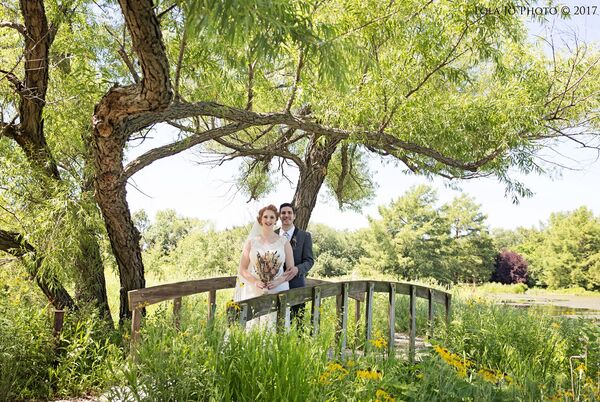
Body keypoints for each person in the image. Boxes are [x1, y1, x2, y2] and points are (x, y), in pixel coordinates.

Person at [234, 204, 298, 329]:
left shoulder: (284, 242)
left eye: (272, 217)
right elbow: (242, 269)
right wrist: (255, 281)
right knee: (253, 327)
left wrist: (278, 281)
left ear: (276, 220)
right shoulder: (251, 242)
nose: (268, 220)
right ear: (260, 219)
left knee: (276, 326)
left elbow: (291, 270)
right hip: (255, 289)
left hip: (278, 288)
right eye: (265, 217)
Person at [277, 203, 314, 320]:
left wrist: (297, 269)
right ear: (279, 216)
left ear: (294, 216)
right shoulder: (272, 235)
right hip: (276, 286)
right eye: (283, 213)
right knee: (277, 321)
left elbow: (309, 261)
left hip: (297, 285)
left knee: (297, 322)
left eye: (289, 213)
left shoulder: (304, 236)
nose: (286, 215)